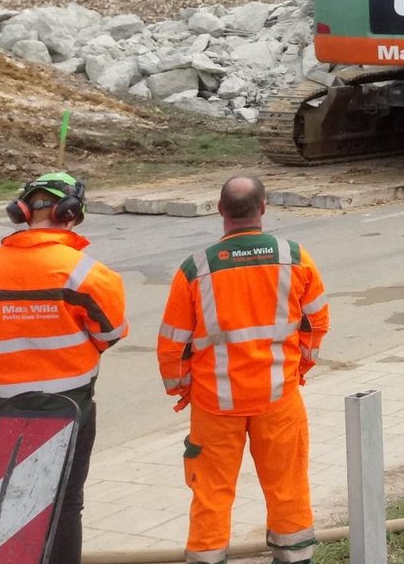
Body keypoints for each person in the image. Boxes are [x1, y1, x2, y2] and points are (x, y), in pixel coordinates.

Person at [0, 173, 127, 564]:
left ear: (23, 212)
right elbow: (111, 332)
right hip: (70, 405)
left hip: (3, 410)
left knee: (9, 496)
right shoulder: (84, 272)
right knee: (65, 502)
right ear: (72, 213)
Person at [158, 176, 329, 564]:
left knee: (211, 492)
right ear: (264, 207)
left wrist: (183, 390)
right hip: (278, 399)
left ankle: (207, 559)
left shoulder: (195, 269)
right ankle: (294, 557)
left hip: (214, 405)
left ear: (220, 210)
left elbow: (171, 346)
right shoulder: (295, 258)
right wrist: (298, 369)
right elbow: (316, 322)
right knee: (287, 485)